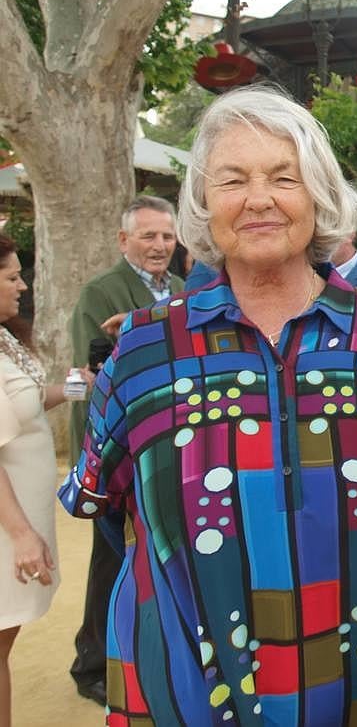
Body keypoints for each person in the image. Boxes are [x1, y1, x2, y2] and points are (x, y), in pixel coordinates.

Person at [59, 86, 357, 725]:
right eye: (232, 179)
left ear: (318, 196)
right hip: (185, 696)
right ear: (203, 206)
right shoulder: (143, 349)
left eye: (283, 177)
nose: (258, 198)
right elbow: (102, 501)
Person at [66, 194, 183, 705]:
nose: (159, 245)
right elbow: (92, 376)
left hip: (171, 445)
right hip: (117, 450)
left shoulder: (183, 289)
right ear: (123, 240)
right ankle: (91, 662)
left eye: (166, 236)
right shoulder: (101, 292)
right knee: (110, 559)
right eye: (148, 236)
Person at [0, 236, 87, 727]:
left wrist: (83, 382)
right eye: (12, 276)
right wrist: (21, 534)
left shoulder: (5, 337)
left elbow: (29, 399)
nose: (22, 284)